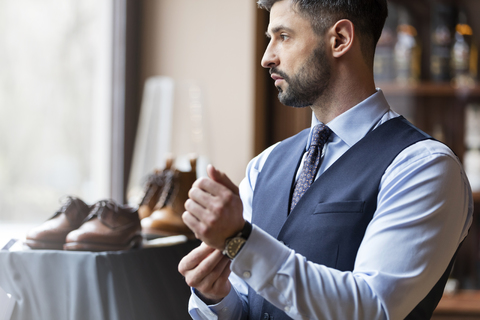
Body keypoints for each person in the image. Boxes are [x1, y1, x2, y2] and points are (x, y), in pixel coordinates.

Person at [178, 0, 474, 319]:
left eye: (284, 36)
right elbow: (253, 309)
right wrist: (217, 296)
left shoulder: (425, 167)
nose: (267, 57)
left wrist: (239, 241)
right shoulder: (264, 166)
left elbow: (373, 308)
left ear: (340, 40)